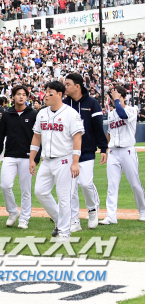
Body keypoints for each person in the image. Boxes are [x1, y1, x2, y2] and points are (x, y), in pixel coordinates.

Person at [29, 81, 84, 242]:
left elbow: (77, 137)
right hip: (46, 160)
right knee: (40, 191)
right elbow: (36, 136)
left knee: (64, 197)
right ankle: (60, 222)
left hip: (64, 160)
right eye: (45, 92)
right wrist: (32, 158)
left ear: (60, 94)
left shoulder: (70, 113)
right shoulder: (42, 113)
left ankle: (65, 233)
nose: (46, 95)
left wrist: (75, 161)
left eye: (50, 92)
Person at [63, 73, 108, 231]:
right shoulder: (64, 104)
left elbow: (97, 127)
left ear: (77, 86)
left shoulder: (92, 103)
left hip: (87, 150)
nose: (65, 87)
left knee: (85, 183)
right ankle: (74, 219)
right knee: (71, 187)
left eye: (67, 84)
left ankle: (93, 209)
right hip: (68, 152)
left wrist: (103, 147)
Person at [100, 86, 145, 225]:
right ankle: (111, 216)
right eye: (112, 96)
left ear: (124, 97)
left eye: (117, 96)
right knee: (112, 185)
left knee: (135, 183)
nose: (113, 99)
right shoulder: (111, 113)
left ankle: (143, 211)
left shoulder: (132, 109)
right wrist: (106, 149)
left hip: (128, 151)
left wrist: (117, 100)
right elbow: (109, 132)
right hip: (114, 152)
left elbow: (123, 115)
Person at [0, 85, 38, 229]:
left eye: (24, 94)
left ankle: (25, 218)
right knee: (5, 185)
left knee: (26, 189)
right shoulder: (7, 114)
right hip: (10, 155)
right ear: (13, 96)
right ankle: (13, 211)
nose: (21, 96)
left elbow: (38, 137)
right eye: (18, 94)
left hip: (27, 157)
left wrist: (35, 158)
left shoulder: (33, 114)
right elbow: (0, 136)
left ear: (27, 97)